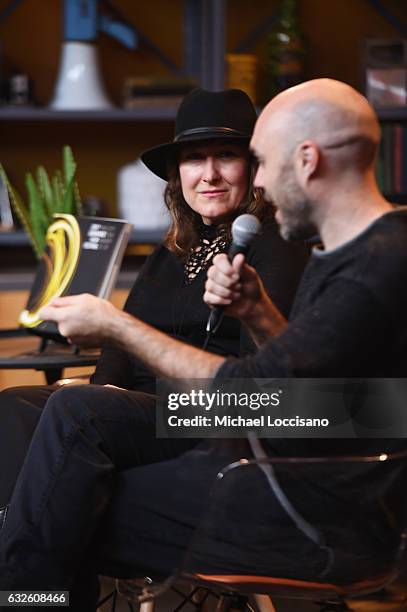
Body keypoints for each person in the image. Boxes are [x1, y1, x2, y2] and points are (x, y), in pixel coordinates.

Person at [2, 77, 406, 603]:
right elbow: (308, 394)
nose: (257, 181)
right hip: (296, 465)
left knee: (58, 503)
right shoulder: (356, 255)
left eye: (255, 160)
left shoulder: (370, 265)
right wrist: (260, 314)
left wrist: (117, 327)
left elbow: (279, 402)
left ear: (306, 159)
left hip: (312, 513)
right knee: (46, 491)